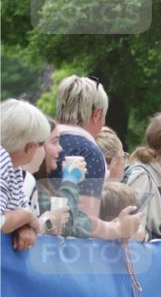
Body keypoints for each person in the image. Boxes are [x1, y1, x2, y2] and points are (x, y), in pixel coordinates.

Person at [52, 75, 142, 240]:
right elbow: (84, 223)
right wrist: (118, 228)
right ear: (97, 114)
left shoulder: (42, 143)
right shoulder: (89, 152)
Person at [1, 99, 48, 250]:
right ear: (29, 146)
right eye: (41, 143)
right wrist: (26, 218)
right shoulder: (2, 161)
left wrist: (23, 225)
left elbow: (20, 206)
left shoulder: (12, 167)